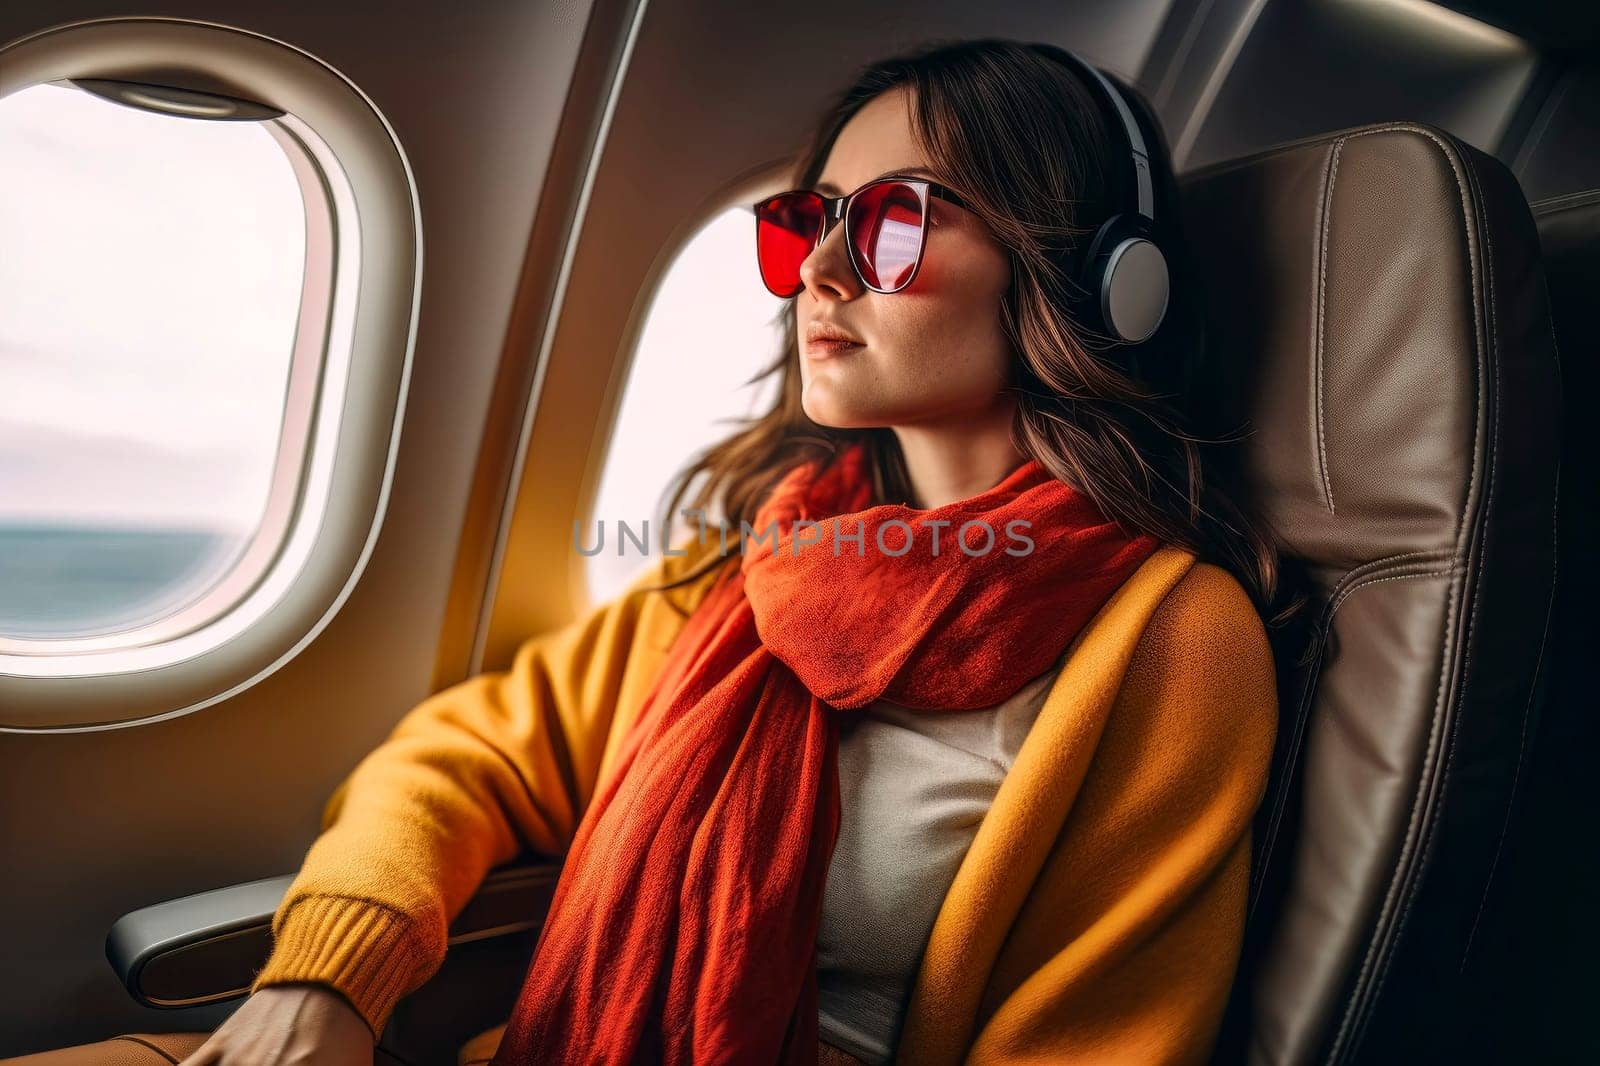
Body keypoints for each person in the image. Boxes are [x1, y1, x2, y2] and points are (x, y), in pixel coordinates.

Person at [15, 37, 1302, 1066]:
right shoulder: (762, 559)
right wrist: (328, 982)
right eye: (810, 223)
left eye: (897, 221)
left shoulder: (1171, 642)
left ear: (1090, 276)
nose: (821, 274)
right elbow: (466, 753)